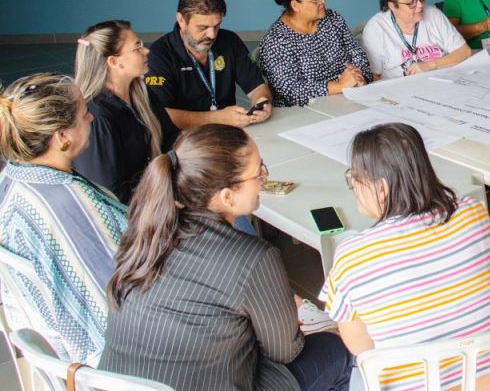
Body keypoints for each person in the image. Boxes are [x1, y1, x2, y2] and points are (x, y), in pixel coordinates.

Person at [101, 124, 352, 391]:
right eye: (258, 173)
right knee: (333, 348)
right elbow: (285, 352)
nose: (264, 179)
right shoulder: (254, 257)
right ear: (227, 197)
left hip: (115, 383)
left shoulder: (145, 234)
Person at [320, 123, 490, 391]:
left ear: (381, 187)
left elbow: (362, 348)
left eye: (355, 178)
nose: (352, 185)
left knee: (361, 369)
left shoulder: (352, 254)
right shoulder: (472, 213)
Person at [0, 73, 127, 365]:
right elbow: (119, 300)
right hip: (110, 359)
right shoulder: (70, 204)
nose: (92, 119)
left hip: (56, 349)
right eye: (84, 115)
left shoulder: (12, 178)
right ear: (62, 137)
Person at [146, 0, 272, 149]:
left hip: (228, 135)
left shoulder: (230, 41)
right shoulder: (159, 54)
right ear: (181, 21)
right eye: (203, 27)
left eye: (217, 26)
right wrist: (218, 118)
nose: (212, 35)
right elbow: (162, 115)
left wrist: (262, 103)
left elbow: (257, 87)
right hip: (184, 142)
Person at [73, 20, 162, 202]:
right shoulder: (97, 117)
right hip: (130, 213)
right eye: (137, 46)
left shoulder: (142, 95)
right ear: (114, 62)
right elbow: (107, 195)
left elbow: (170, 137)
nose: (146, 51)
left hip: (152, 195)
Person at [258, 0, 371, 106]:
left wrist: (360, 77)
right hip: (303, 111)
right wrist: (339, 85)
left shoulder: (333, 19)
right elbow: (291, 91)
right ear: (295, 5)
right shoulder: (275, 41)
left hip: (348, 97)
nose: (323, 1)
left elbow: (357, 54)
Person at [361, 0, 471, 80]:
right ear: (392, 5)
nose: (420, 5)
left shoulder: (434, 14)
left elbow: (464, 52)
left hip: (442, 81)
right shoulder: (376, 29)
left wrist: (430, 65)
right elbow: (374, 77)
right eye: (411, 2)